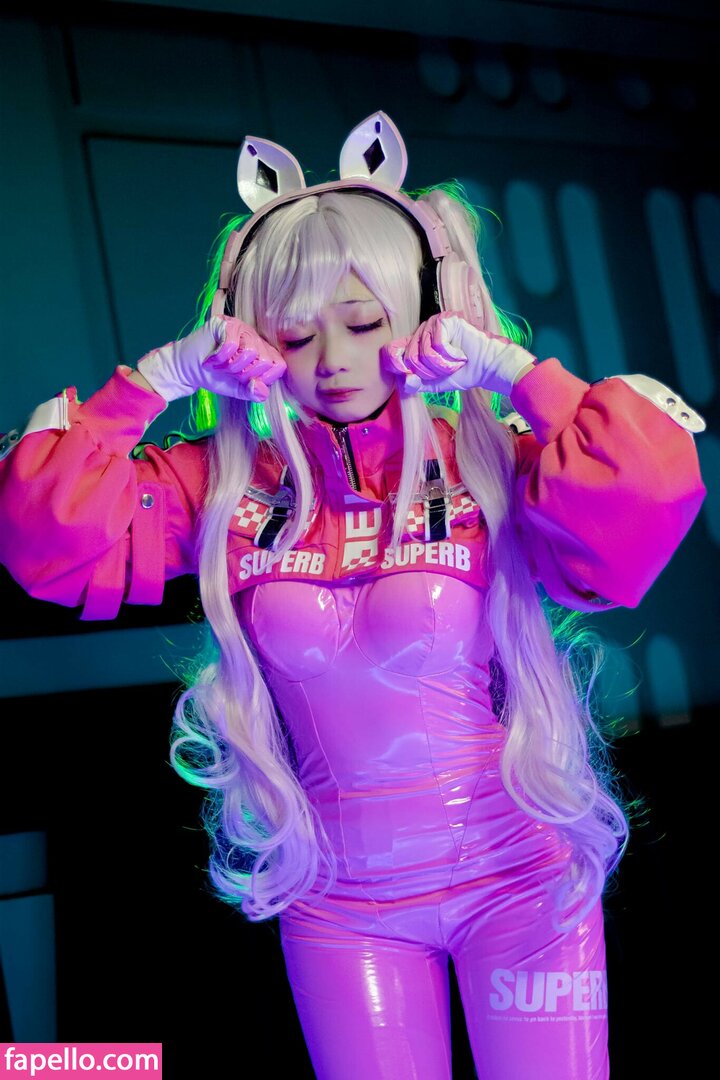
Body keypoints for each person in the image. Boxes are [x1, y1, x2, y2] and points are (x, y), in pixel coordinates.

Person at [0, 112, 707, 1079]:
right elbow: (40, 537)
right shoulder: (221, 487)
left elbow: (646, 483)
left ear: (420, 311)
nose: (332, 359)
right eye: (295, 334)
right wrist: (156, 380)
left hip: (519, 881)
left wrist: (507, 368)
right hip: (339, 904)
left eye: (366, 322)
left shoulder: (486, 464)